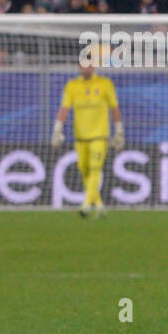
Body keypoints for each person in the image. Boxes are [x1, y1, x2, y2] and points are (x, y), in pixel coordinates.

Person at [52, 52, 125, 218]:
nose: (88, 67)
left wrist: (119, 130)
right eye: (84, 64)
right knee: (84, 169)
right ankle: (98, 205)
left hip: (100, 136)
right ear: (79, 66)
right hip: (80, 136)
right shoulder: (72, 85)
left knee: (95, 168)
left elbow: (114, 108)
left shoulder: (105, 84)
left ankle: (85, 205)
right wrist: (57, 129)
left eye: (90, 64)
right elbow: (64, 108)